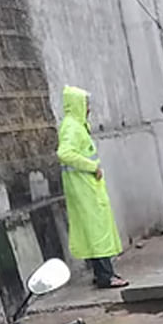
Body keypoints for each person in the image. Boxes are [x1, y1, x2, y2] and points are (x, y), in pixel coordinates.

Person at [57, 86, 128, 289]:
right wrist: (92, 166)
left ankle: (103, 273)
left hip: (86, 185)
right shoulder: (72, 127)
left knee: (96, 230)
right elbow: (65, 153)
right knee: (98, 231)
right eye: (86, 104)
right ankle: (106, 276)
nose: (89, 108)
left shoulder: (76, 125)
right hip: (84, 186)